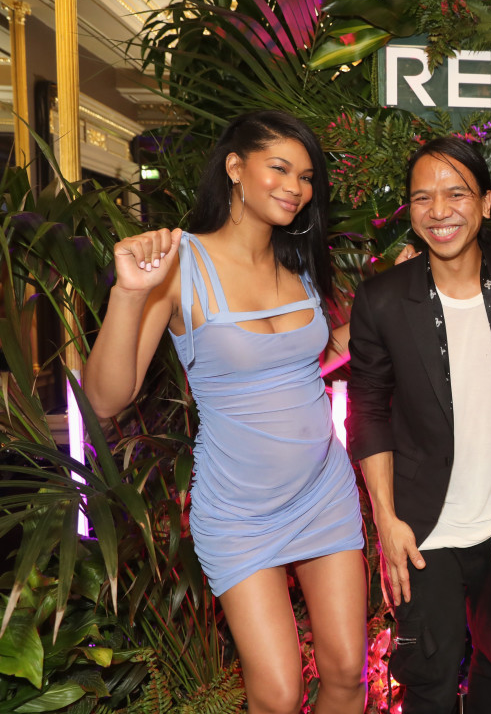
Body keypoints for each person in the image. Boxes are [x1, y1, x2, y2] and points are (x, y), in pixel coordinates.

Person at [82, 110, 367, 714]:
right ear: (235, 167)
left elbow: (298, 362)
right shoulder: (179, 263)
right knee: (279, 695)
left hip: (324, 490)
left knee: (347, 674)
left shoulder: (299, 261)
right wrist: (129, 294)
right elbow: (106, 399)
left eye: (306, 177)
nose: (296, 187)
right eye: (280, 168)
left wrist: (392, 307)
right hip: (239, 512)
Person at [347, 136, 491, 714]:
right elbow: (367, 410)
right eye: (422, 198)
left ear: (485, 202)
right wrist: (386, 519)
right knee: (428, 681)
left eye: (456, 194)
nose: (439, 211)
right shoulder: (383, 300)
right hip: (423, 530)